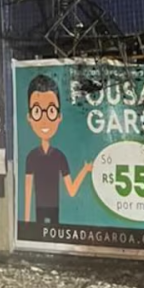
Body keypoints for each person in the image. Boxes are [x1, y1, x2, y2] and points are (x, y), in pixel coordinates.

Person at [22, 73, 92, 226]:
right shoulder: (31, 157)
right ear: (29, 117)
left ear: (59, 117)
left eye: (51, 111)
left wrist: (85, 170)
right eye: (37, 112)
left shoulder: (60, 157)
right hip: (39, 212)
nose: (44, 120)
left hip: (54, 213)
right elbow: (27, 192)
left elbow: (72, 190)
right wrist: (26, 224)